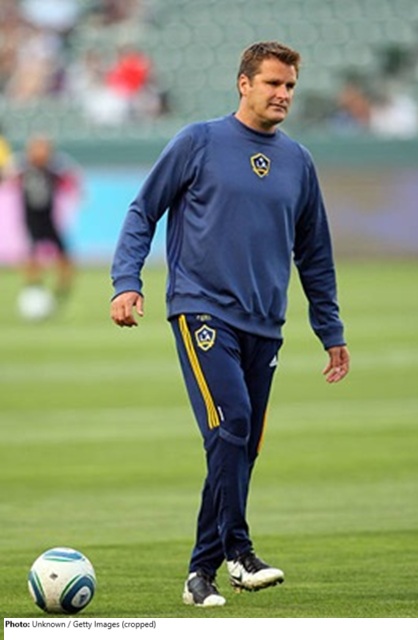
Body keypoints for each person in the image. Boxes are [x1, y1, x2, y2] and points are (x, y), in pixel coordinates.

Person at [110, 41, 350, 607]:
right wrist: (126, 281)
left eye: (290, 86)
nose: (283, 94)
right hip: (202, 309)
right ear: (244, 84)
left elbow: (315, 253)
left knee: (237, 447)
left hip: (265, 324)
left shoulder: (298, 161)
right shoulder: (198, 141)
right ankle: (239, 551)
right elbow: (143, 210)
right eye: (273, 83)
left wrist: (331, 330)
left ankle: (201, 574)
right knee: (233, 421)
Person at [14, 134, 81, 301]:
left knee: (63, 253)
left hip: (49, 219)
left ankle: (63, 288)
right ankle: (33, 286)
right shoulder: (23, 166)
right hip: (31, 219)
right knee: (32, 253)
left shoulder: (55, 167)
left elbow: (71, 179)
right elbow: (10, 178)